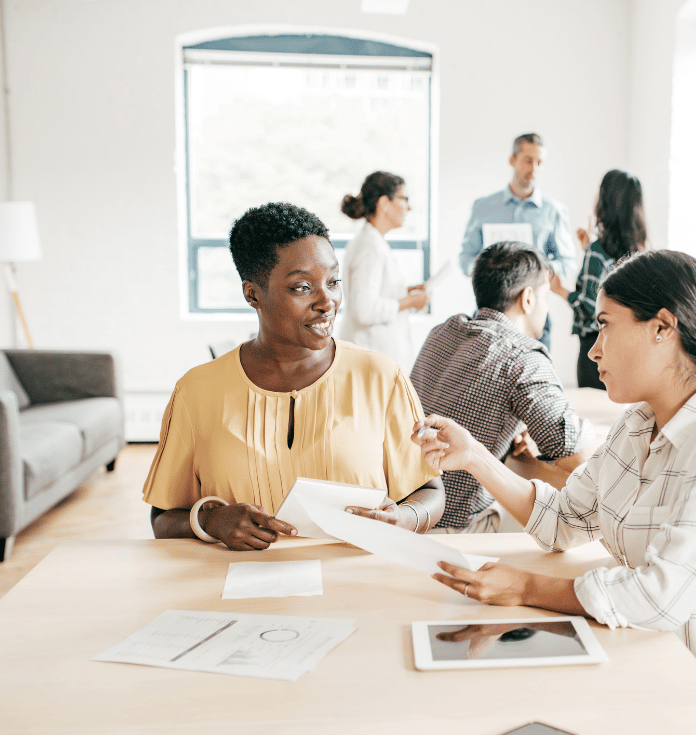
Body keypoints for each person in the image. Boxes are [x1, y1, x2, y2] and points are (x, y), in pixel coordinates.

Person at [414, 250, 696, 735]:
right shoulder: (639, 423)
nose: (594, 349)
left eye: (604, 326)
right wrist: (474, 457)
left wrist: (526, 587)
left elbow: (658, 598)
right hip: (658, 663)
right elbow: (562, 521)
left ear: (662, 328)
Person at [144, 202, 445, 550]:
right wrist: (210, 521)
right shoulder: (196, 391)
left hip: (357, 578)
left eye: (333, 282)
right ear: (252, 294)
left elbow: (429, 491)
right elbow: (163, 517)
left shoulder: (381, 377)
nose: (327, 301)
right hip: (236, 582)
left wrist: (405, 518)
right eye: (302, 287)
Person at [410, 241, 595, 533]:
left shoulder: (442, 332)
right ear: (528, 298)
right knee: (578, 507)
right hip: (457, 527)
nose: (546, 308)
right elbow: (581, 462)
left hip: (411, 510)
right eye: (545, 296)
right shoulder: (522, 356)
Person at [458, 133, 577, 350]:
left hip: (534, 315)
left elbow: (567, 262)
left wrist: (538, 270)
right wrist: (487, 269)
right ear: (512, 160)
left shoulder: (554, 211)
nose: (534, 169)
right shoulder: (483, 207)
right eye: (528, 160)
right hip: (489, 314)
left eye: (540, 162)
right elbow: (466, 257)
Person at [549, 169, 648, 389]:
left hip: (595, 344)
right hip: (625, 344)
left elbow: (589, 306)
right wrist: (588, 249)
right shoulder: (640, 249)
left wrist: (559, 290)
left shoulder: (597, 250)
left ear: (607, 202)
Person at [336, 171, 429, 369]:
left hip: (375, 361)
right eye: (404, 199)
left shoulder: (373, 242)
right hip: (368, 362)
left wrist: (407, 291)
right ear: (384, 203)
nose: (409, 207)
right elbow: (364, 309)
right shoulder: (369, 246)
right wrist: (410, 301)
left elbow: (374, 293)